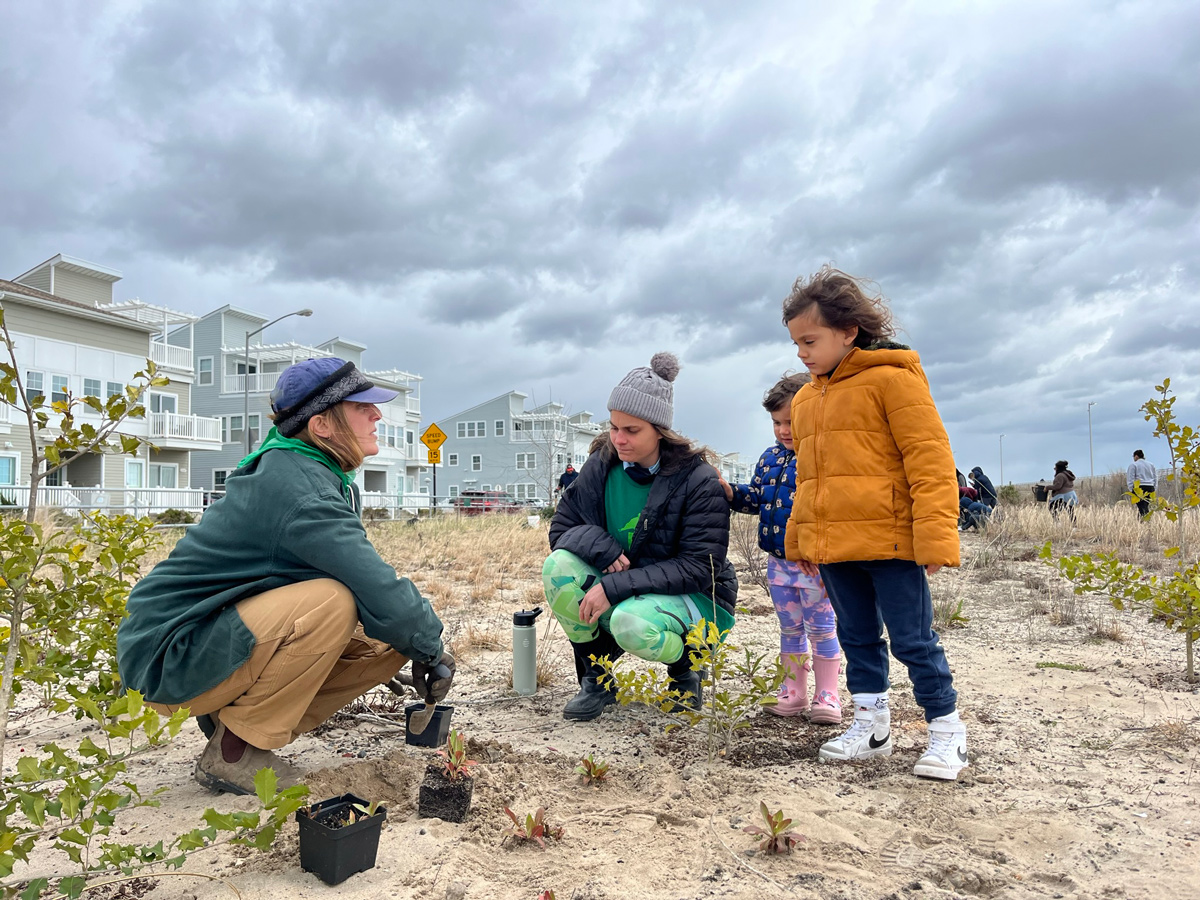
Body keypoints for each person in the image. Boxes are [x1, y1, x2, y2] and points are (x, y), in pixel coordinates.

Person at [117, 358, 455, 795]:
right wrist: (432, 648)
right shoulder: (300, 488)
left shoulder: (303, 469)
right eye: (361, 406)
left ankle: (233, 721)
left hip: (199, 644)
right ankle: (237, 751)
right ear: (322, 426)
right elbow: (378, 587)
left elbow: (385, 605)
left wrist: (418, 645)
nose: (377, 415)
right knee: (334, 603)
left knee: (389, 639)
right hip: (167, 658)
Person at [781, 266, 967, 781]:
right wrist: (803, 539)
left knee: (914, 641)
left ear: (848, 331)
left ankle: (947, 732)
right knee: (856, 636)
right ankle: (871, 725)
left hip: (893, 543)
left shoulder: (894, 379)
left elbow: (929, 461)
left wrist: (934, 538)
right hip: (836, 546)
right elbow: (809, 479)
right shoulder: (804, 399)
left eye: (810, 340)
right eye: (796, 342)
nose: (802, 352)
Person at [542, 352, 737, 721]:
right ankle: (597, 679)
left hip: (697, 597)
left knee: (629, 623)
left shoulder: (699, 480)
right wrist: (599, 546)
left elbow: (699, 567)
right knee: (558, 568)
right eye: (614, 427)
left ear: (660, 431)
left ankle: (687, 670)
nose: (618, 439)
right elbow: (561, 529)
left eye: (632, 430)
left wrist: (615, 587)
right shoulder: (601, 464)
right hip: (633, 590)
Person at [723, 373, 842, 723]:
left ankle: (828, 696)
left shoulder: (824, 455)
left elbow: (833, 510)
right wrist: (729, 492)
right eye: (777, 422)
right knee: (790, 630)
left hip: (816, 566)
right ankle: (794, 693)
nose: (784, 430)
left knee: (822, 629)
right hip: (778, 564)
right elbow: (757, 498)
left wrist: (819, 551)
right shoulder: (769, 457)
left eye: (791, 421)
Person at [1127, 450, 1156, 518]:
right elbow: (1155, 477)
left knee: (1141, 507)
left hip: (1139, 487)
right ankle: (1142, 522)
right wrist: (1154, 488)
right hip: (1150, 487)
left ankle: (1145, 521)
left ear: (1136, 456)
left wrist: (1131, 489)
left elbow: (1130, 478)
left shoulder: (1134, 465)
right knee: (1145, 505)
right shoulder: (1151, 465)